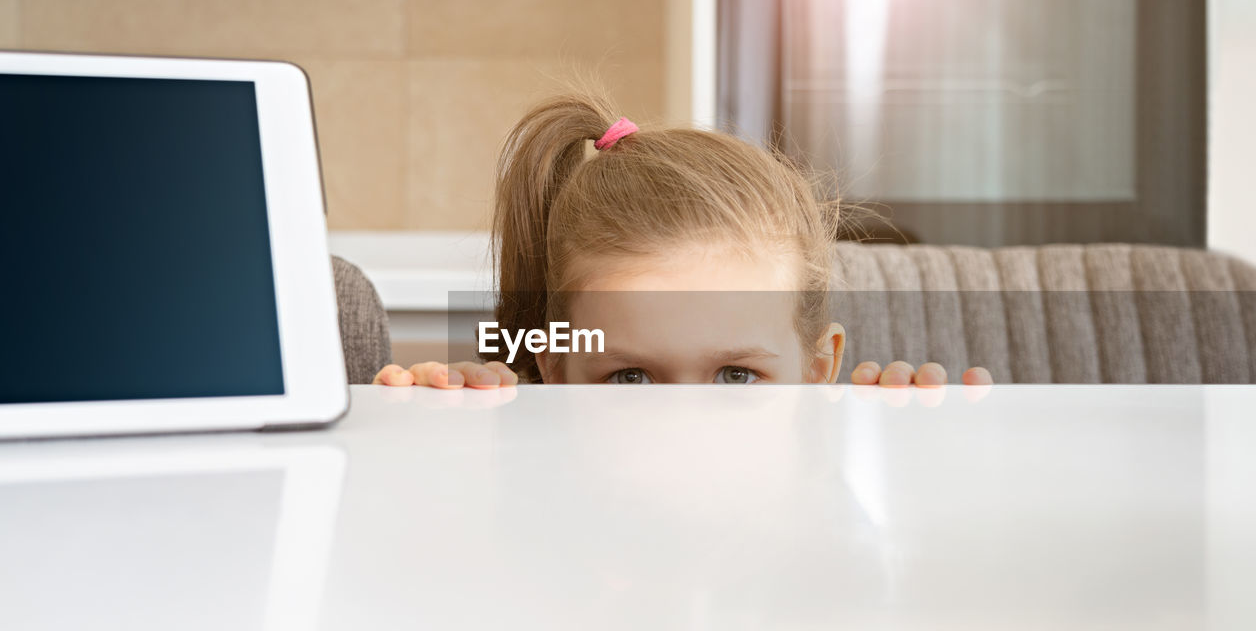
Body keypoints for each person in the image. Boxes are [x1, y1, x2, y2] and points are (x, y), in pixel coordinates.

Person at [374, 94, 991, 390]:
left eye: (736, 377)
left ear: (816, 368)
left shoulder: (836, 491)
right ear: (554, 371)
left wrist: (918, 467)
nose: (686, 427)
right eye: (632, 379)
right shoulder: (528, 498)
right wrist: (445, 447)